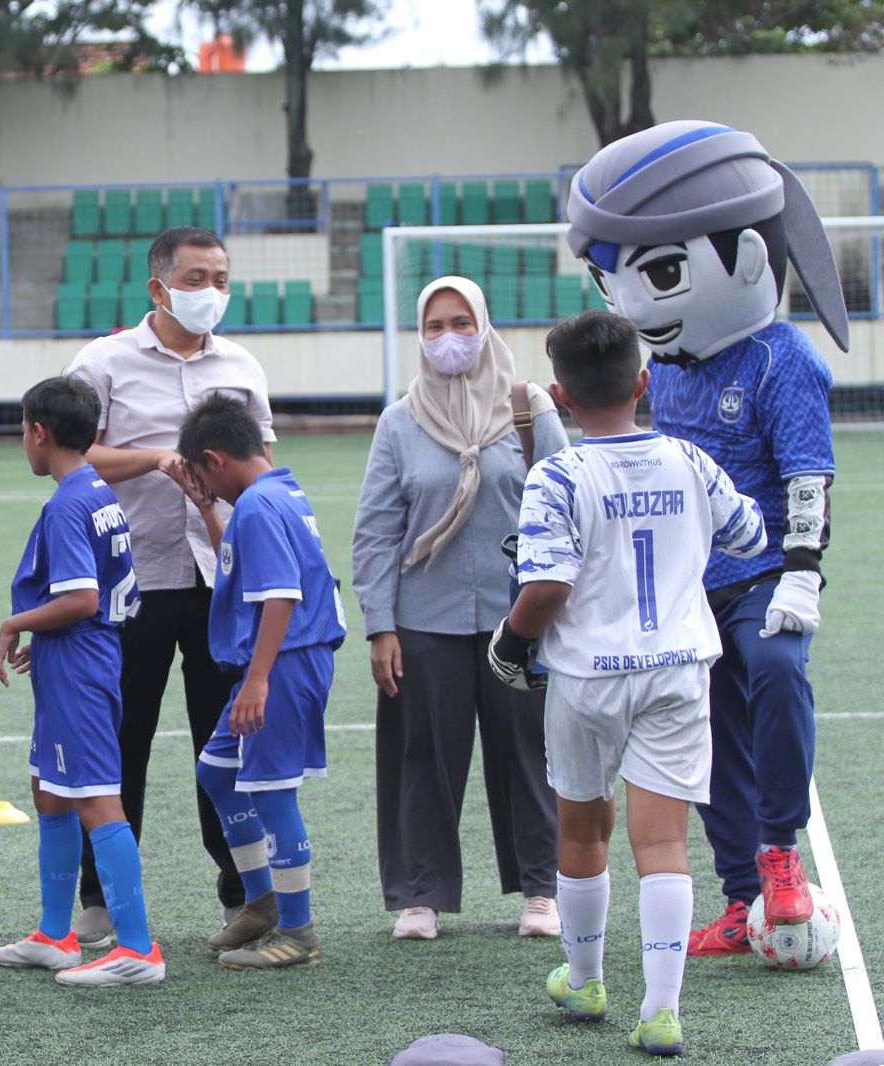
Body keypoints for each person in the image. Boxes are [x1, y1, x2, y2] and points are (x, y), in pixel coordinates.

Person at [564, 120, 844, 954]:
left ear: (748, 261)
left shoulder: (779, 357)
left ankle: (781, 851)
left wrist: (804, 572)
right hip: (689, 583)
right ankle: (739, 894)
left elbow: (807, 472)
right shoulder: (671, 370)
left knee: (776, 669)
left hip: (763, 573)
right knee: (704, 730)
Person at [488, 311, 767, 1057]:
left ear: (560, 396)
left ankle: (585, 980)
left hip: (587, 678)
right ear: (644, 383)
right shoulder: (688, 459)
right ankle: (662, 1011)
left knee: (583, 829)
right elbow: (749, 536)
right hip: (677, 668)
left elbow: (545, 586)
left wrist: (510, 645)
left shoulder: (559, 473)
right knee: (664, 841)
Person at [65, 226, 273, 945]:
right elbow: (73, 453)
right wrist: (154, 459)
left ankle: (241, 892)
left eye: (220, 278)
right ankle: (101, 897)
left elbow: (262, 469)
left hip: (221, 580)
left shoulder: (243, 365)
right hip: (132, 577)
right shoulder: (103, 362)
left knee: (224, 740)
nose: (210, 292)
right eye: (195, 279)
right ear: (158, 288)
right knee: (122, 737)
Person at [350, 275, 565, 941]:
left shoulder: (529, 410)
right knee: (423, 759)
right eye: (435, 326)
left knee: (530, 752)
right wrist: (380, 626)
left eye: (460, 323)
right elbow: (377, 531)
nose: (449, 338)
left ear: (485, 325)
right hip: (424, 622)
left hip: (520, 619)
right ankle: (422, 896)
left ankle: (541, 889)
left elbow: (568, 511)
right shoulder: (400, 420)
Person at [0, 375, 164, 987]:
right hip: (75, 657)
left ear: (39, 432)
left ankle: (139, 950)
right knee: (50, 792)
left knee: (94, 797)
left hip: (83, 663)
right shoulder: (94, 486)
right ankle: (54, 935)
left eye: (23, 430)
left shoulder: (68, 502)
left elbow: (83, 598)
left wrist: (16, 623)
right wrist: (47, 635)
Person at [173, 395, 346, 969]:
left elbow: (281, 594)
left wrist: (258, 680)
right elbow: (250, 563)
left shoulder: (259, 506)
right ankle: (263, 902)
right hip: (279, 660)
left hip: (284, 662)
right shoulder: (277, 492)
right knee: (217, 771)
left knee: (271, 790)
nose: (206, 486)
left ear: (214, 459)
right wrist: (207, 514)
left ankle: (299, 932)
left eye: (201, 476)